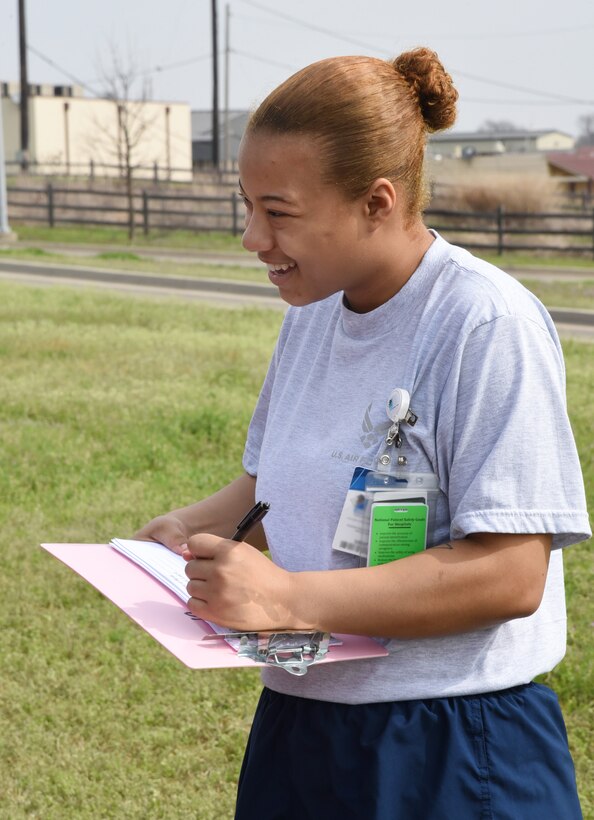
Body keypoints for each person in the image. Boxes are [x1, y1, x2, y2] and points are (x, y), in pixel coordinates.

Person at [135, 47, 591, 819]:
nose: (252, 238)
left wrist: (287, 596)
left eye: (277, 213)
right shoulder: (314, 313)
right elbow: (271, 482)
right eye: (246, 207)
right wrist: (193, 527)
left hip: (451, 745)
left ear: (377, 203)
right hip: (303, 729)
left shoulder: (485, 323)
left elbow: (512, 573)